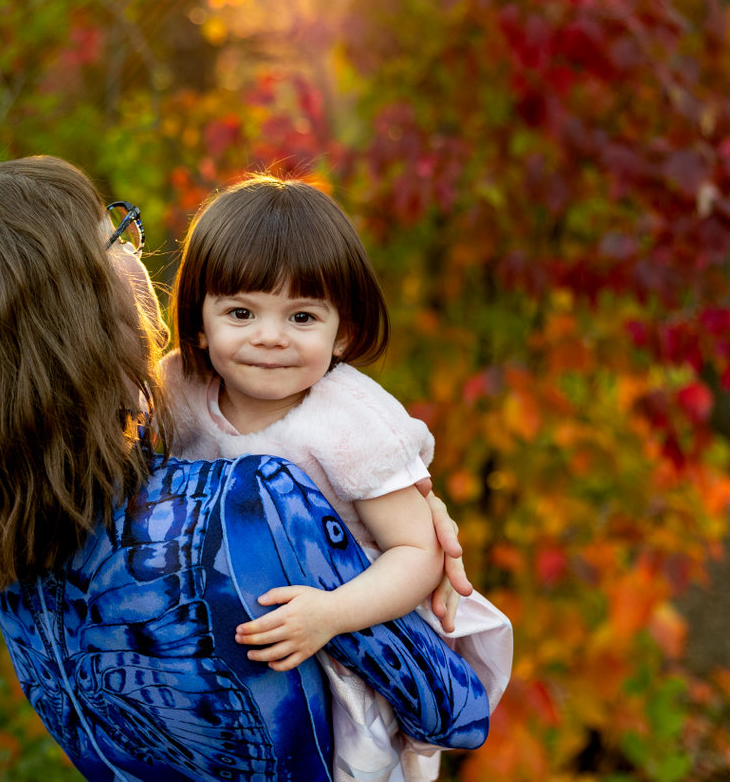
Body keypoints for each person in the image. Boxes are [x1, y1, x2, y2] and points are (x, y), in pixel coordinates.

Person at [0, 156, 491, 782]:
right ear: (74, 315)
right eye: (112, 238)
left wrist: (390, 493)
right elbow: (455, 713)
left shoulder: (6, 540)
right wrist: (377, 544)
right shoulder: (251, 505)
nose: (136, 259)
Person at [160, 176, 513, 782]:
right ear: (198, 322)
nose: (270, 336)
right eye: (241, 312)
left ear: (342, 331)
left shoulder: (349, 421)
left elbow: (418, 553)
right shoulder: (179, 393)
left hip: (346, 656)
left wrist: (331, 613)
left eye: (301, 316)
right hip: (227, 657)